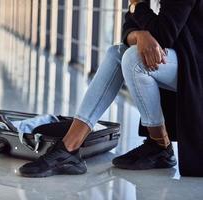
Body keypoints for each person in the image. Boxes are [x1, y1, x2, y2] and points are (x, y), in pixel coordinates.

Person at [19, 0, 203, 177]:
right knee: (116, 53)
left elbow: (162, 36)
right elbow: (128, 31)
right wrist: (139, 35)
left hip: (196, 66)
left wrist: (136, 5)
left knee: (134, 60)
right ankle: (68, 148)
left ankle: (160, 146)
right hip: (179, 60)